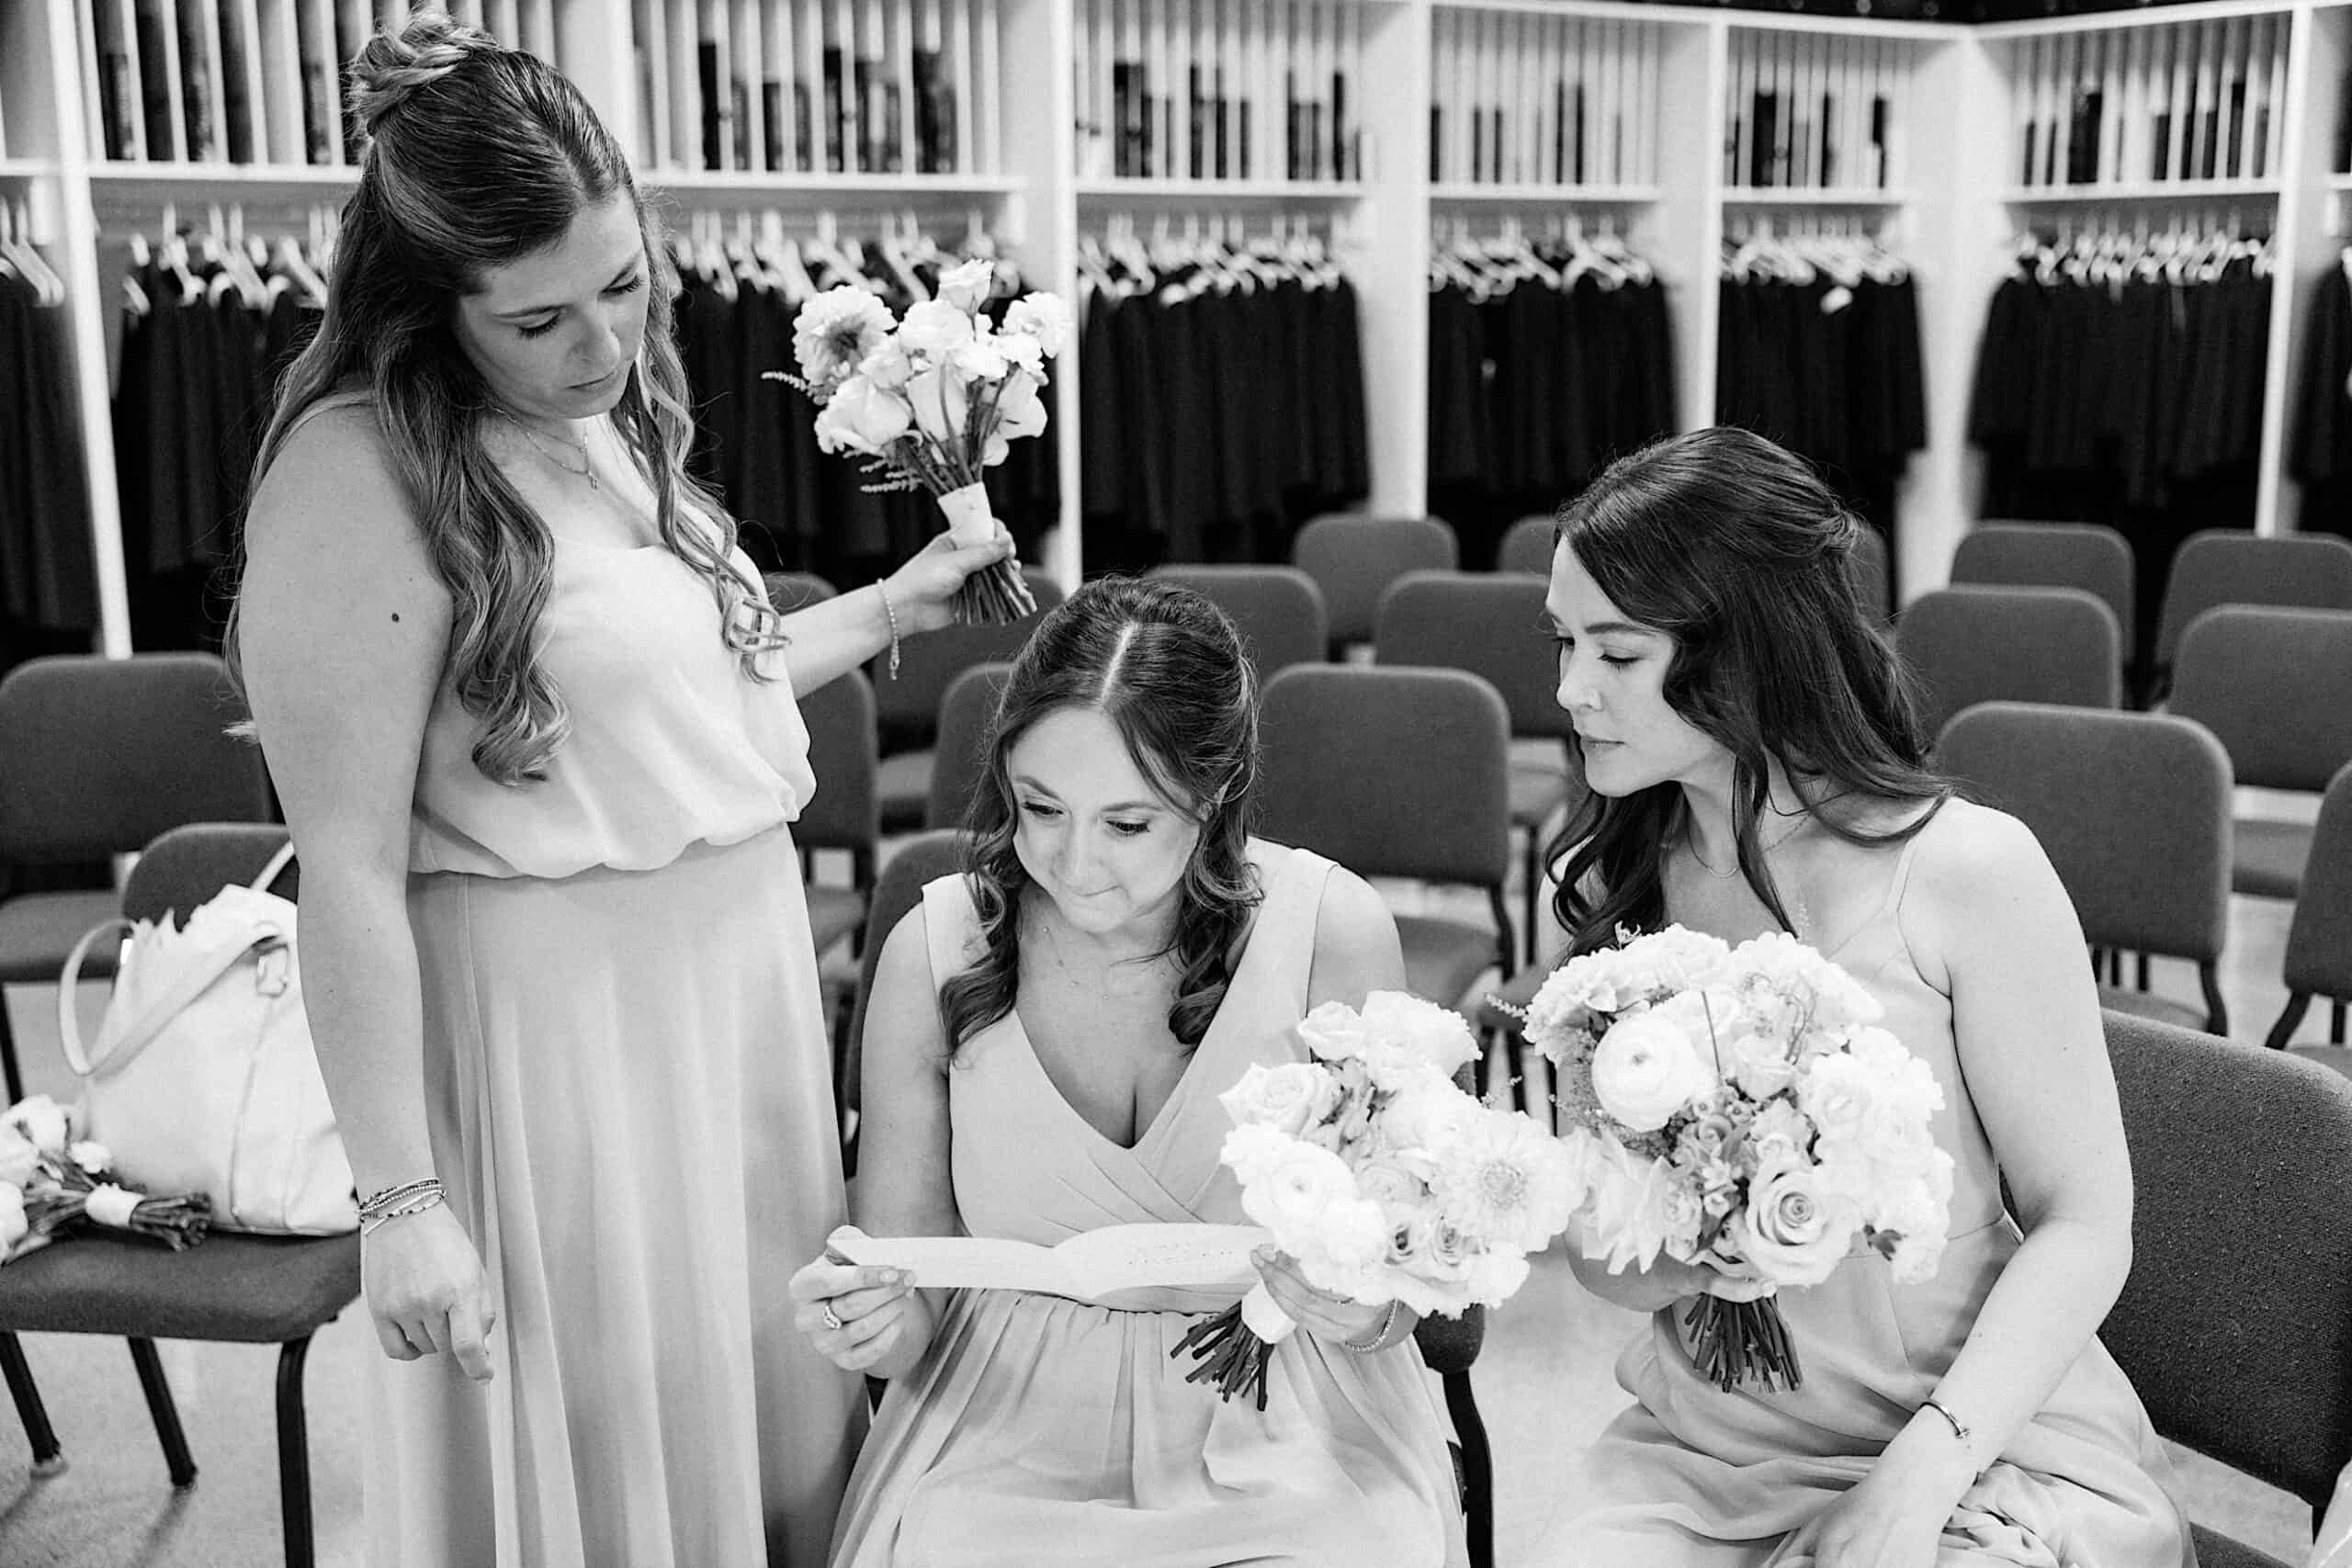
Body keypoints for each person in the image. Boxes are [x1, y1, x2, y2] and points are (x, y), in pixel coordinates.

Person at [231, 16, 1016, 1566]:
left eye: (624, 283)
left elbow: (641, 706)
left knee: (765, 1412)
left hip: (727, 1001)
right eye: (537, 319)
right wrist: (399, 1200)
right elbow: (349, 868)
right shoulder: (357, 467)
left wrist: (881, 611)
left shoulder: (602, 417)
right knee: (606, 1449)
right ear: (423, 301)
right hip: (559, 1039)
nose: (600, 346)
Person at [1531, 429, 2197, 1568]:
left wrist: (1921, 1477)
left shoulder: (1968, 874)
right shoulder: (1612, 884)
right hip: (1714, 1445)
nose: (1566, 690)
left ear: (1748, 653)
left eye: (1616, 653)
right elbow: (1601, 1261)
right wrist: (1700, 1243)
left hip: (1980, 1426)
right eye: (1561, 643)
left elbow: (2086, 1225)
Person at [788, 578, 1466, 1567]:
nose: (1074, 864)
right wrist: (873, 1327)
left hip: (1287, 1407)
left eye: (1128, 823)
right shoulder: (933, 947)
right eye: (1040, 808)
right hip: (1003, 1419)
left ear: (1214, 795)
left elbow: (1399, 1287)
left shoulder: (1333, 930)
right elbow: (914, 1301)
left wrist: (1363, 1305)